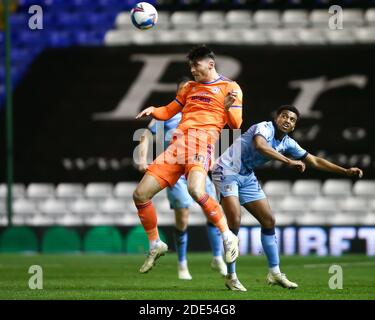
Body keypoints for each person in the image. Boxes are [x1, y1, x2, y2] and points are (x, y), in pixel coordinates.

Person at [212, 105, 363, 292]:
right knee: (234, 220)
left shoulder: (288, 143)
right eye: (284, 116)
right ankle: (231, 276)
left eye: (292, 120)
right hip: (226, 169)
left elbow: (313, 160)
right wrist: (289, 161)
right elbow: (260, 146)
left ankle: (275, 273)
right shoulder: (264, 128)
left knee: (269, 221)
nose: (287, 121)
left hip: (246, 175)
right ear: (277, 118)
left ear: (293, 127)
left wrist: (345, 171)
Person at [133, 44, 243, 274]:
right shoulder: (189, 88)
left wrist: (227, 107)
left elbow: (235, 125)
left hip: (201, 145)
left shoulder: (230, 87)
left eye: (196, 65)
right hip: (177, 147)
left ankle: (227, 236)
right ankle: (156, 243)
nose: (193, 70)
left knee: (196, 190)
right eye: (191, 66)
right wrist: (154, 109)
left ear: (210, 64)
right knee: (140, 194)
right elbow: (168, 112)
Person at [136, 77, 227, 280]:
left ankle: (217, 257)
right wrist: (142, 158)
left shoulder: (204, 112)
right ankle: (182, 265)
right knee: (183, 218)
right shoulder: (171, 113)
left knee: (211, 210)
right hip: (176, 171)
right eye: (183, 89)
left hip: (196, 166)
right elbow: (145, 134)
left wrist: (212, 158)